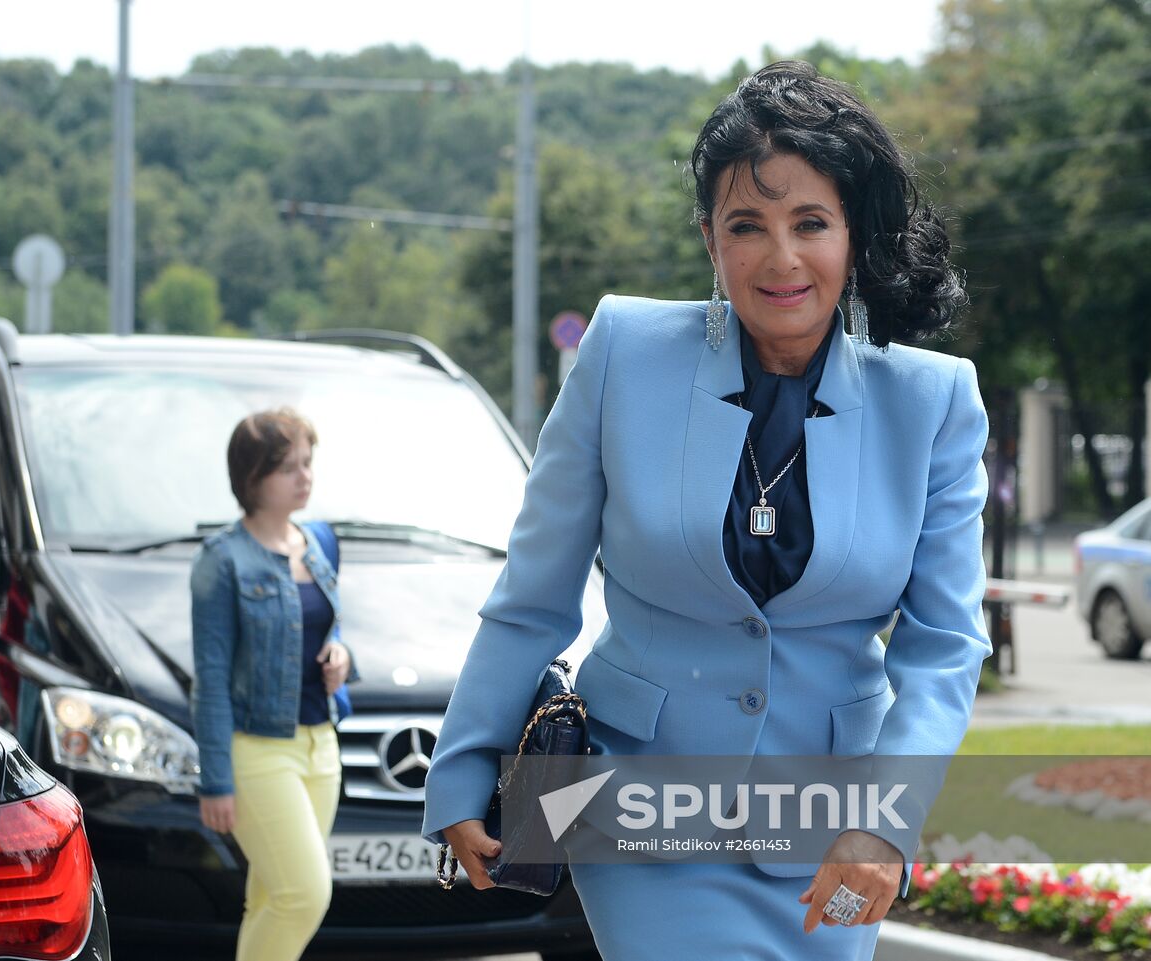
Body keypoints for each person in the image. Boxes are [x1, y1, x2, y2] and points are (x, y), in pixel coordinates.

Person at [422, 61, 990, 960]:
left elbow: (945, 646)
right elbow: (535, 591)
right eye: (746, 226)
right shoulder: (623, 352)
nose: (782, 258)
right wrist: (461, 766)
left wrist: (889, 820)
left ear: (854, 235)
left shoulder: (935, 400)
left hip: (839, 826)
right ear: (709, 240)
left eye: (811, 223)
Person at [191, 407, 355, 961]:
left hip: (321, 746)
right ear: (252, 478)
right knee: (304, 895)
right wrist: (215, 779)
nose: (304, 477)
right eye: (288, 468)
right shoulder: (223, 560)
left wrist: (341, 656)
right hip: (258, 752)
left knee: (270, 896)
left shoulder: (321, 543)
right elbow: (210, 676)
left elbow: (326, 627)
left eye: (308, 463)